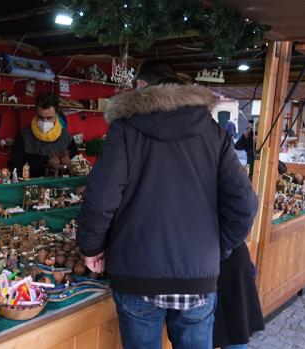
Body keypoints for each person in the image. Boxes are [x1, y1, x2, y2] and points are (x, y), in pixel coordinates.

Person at [76, 59, 259, 349]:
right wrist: (217, 247)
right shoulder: (213, 132)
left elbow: (101, 198)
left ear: (141, 89)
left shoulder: (125, 129)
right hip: (197, 276)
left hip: (137, 273)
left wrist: (91, 247)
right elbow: (245, 205)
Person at [8, 93, 77, 178]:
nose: (44, 122)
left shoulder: (67, 139)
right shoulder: (23, 136)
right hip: (30, 187)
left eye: (49, 118)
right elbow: (15, 167)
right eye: (40, 117)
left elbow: (75, 168)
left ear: (56, 115)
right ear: (36, 113)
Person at [213, 243, 264, 349]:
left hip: (230, 264)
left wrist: (224, 249)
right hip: (201, 266)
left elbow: (240, 227)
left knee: (234, 332)